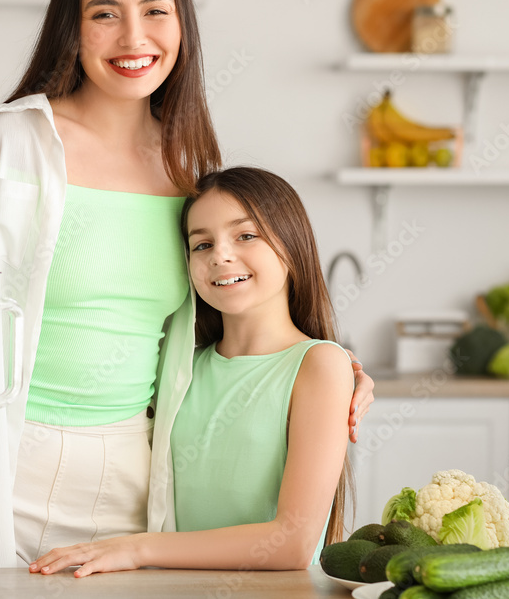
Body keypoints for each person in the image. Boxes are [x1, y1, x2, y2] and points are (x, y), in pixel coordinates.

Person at [0, 0, 374, 567]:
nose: (133, 38)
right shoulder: (12, 141)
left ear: (182, 25)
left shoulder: (187, 164)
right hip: (4, 462)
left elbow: (216, 313)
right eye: (104, 14)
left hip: (135, 471)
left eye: (154, 10)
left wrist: (330, 370)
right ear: (73, 27)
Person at [28, 167, 355, 576]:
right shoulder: (180, 366)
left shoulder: (319, 365)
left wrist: (138, 549)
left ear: (291, 243)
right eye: (201, 244)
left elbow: (292, 542)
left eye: (246, 235)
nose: (220, 255)